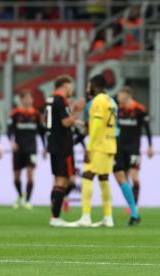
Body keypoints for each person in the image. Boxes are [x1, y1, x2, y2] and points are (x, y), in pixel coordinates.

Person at [68, 75, 117, 227]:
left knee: (87, 176)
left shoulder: (97, 101)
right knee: (104, 178)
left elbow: (95, 126)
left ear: (94, 86)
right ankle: (108, 217)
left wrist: (89, 147)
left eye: (89, 85)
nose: (87, 88)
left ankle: (86, 216)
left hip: (99, 146)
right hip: (110, 144)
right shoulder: (110, 101)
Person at [45, 75, 85, 227]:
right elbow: (65, 122)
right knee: (64, 180)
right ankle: (55, 217)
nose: (72, 90)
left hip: (54, 143)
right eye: (71, 87)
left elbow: (56, 121)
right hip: (63, 145)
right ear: (66, 86)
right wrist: (77, 111)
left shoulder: (50, 99)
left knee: (62, 180)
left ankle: (54, 213)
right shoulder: (60, 100)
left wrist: (75, 118)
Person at [116, 86, 153, 209]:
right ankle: (131, 204)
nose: (118, 97)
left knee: (134, 175)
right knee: (123, 178)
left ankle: (134, 207)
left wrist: (150, 146)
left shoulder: (139, 109)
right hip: (120, 148)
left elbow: (147, 129)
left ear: (127, 95)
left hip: (134, 148)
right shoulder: (118, 109)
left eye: (120, 94)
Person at [7, 91, 46, 209]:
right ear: (22, 99)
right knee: (16, 176)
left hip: (31, 148)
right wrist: (11, 141)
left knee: (30, 174)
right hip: (18, 148)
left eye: (31, 97)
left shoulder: (37, 114)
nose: (30, 100)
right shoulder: (15, 113)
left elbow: (41, 132)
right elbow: (9, 130)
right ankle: (20, 195)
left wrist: (44, 147)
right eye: (28, 97)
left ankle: (28, 200)